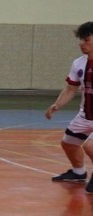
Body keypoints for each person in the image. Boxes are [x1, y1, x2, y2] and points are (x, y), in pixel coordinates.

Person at [45, 21, 93, 193]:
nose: (81, 43)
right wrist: (57, 105)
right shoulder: (79, 63)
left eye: (86, 39)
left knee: (90, 146)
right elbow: (71, 88)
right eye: (80, 39)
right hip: (86, 115)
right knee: (69, 143)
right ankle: (79, 172)